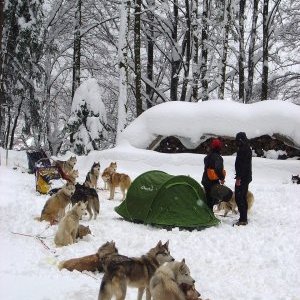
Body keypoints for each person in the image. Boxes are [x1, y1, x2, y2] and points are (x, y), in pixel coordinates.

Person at [201, 138, 232, 210]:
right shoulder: (218, 158)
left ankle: (208, 213)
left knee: (208, 198)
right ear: (220, 147)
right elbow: (218, 169)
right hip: (213, 182)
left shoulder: (207, 157)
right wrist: (222, 178)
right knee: (220, 197)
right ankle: (210, 214)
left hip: (205, 180)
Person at [234, 132, 252, 226]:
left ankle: (243, 219)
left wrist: (239, 178)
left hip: (243, 177)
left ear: (240, 140)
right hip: (246, 176)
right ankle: (244, 217)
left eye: (237, 140)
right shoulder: (246, 148)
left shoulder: (243, 150)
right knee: (243, 197)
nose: (236, 142)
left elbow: (243, 165)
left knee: (239, 197)